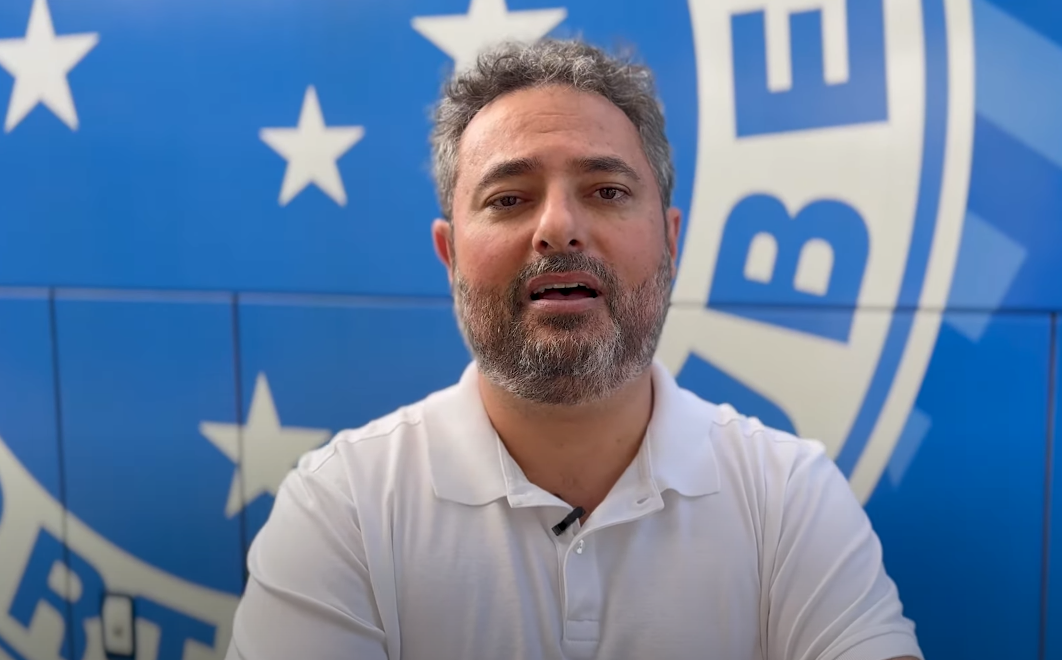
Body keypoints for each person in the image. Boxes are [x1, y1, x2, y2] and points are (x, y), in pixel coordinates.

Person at [224, 38, 922, 660]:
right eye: (509, 199)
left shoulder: (788, 498)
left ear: (671, 241)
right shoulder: (342, 508)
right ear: (450, 256)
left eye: (607, 190)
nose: (558, 228)